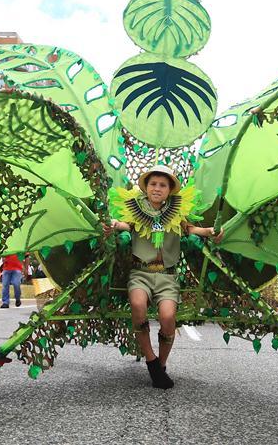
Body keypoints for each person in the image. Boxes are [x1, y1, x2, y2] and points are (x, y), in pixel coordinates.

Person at [103, 165, 223, 389]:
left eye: (162, 185)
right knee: (137, 304)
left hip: (167, 276)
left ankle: (162, 364)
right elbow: (126, 225)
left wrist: (209, 232)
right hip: (140, 273)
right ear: (146, 187)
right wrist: (114, 225)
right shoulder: (134, 208)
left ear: (169, 190)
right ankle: (151, 361)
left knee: (168, 318)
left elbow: (190, 229)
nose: (157, 188)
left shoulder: (177, 211)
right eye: (153, 184)